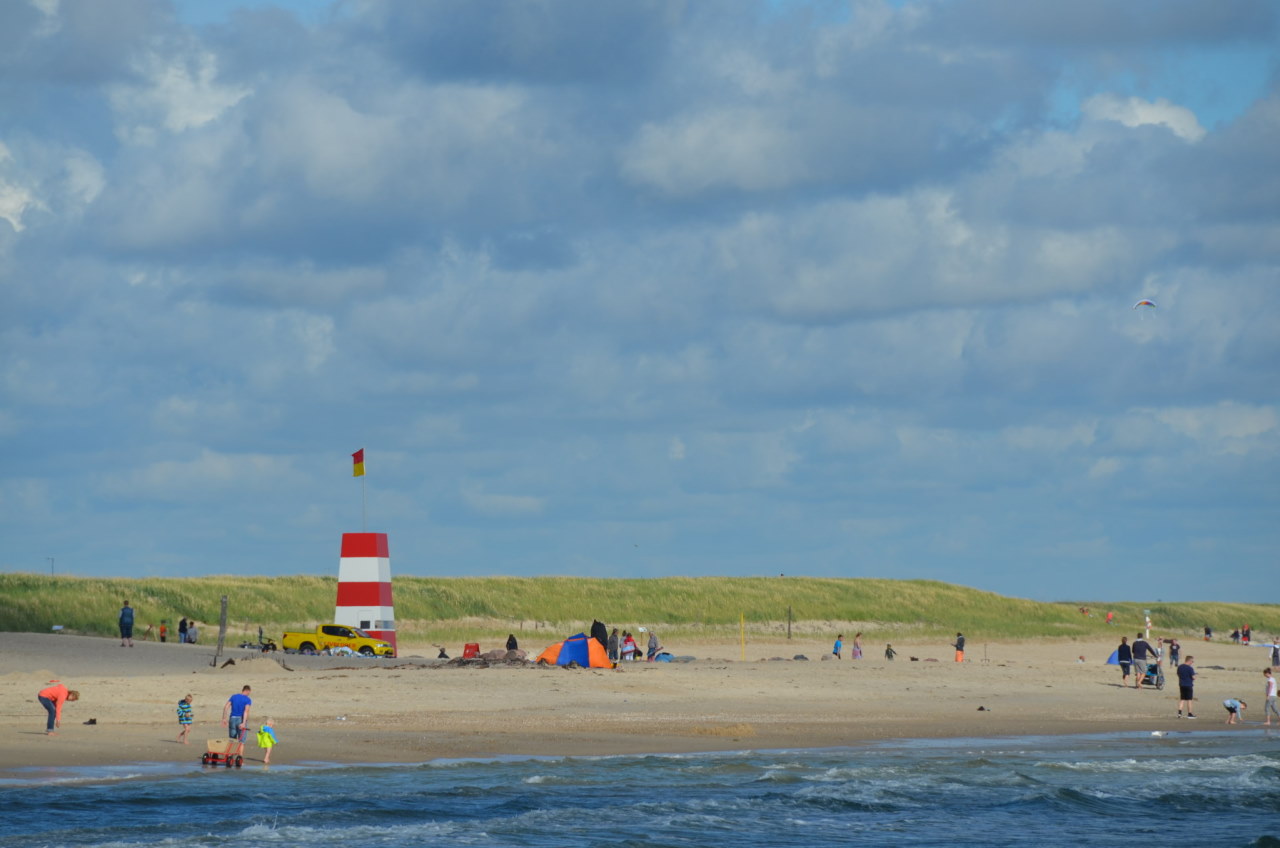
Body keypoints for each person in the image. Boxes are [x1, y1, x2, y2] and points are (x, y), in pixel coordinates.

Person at [222, 685, 253, 757]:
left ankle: (230, 757)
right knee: (241, 741)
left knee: (232, 740)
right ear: (247, 691)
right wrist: (244, 722)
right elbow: (246, 711)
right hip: (240, 719)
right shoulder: (247, 699)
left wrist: (224, 718)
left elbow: (226, 707)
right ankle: (240, 759)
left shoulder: (234, 696)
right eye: (249, 692)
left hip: (232, 718)